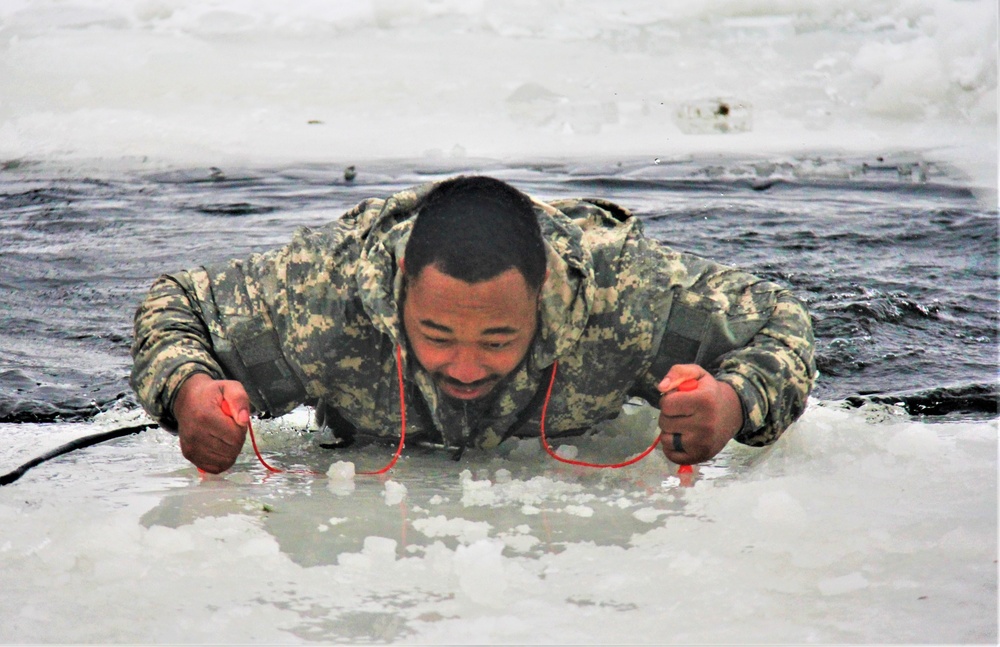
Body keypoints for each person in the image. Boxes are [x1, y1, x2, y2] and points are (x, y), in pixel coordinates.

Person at [131, 175, 816, 474]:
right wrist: (189, 388)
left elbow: (782, 319)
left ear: (542, 297)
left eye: (496, 339)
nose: (463, 365)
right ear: (398, 293)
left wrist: (733, 402)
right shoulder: (325, 294)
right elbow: (177, 302)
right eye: (436, 335)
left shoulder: (624, 295)